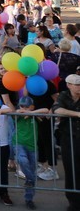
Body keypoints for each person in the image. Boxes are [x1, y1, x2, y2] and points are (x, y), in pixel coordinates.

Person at [52, 73, 80, 210]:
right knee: (71, 170)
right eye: (76, 85)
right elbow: (57, 109)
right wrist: (77, 114)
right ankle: (74, 201)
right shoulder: (64, 95)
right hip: (68, 137)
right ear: (69, 85)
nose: (79, 87)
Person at [13, 96, 42, 210]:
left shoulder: (34, 115)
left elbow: (45, 110)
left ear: (32, 107)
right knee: (22, 160)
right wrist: (22, 111)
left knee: (32, 169)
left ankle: (29, 199)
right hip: (19, 143)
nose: (23, 108)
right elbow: (15, 112)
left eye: (26, 106)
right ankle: (30, 179)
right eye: (21, 106)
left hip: (33, 146)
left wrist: (32, 113)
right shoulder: (18, 115)